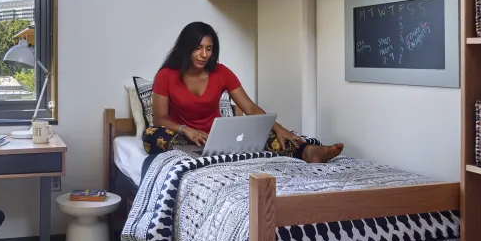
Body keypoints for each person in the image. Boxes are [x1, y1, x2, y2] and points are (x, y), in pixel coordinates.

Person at [147, 21, 344, 164]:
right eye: (198, 48)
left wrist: (277, 127)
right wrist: (186, 130)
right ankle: (197, 154)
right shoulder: (166, 75)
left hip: (216, 138)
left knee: (272, 137)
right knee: (152, 134)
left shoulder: (221, 72)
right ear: (186, 49)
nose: (204, 55)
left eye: (209, 48)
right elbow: (160, 119)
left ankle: (311, 152)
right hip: (183, 137)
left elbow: (248, 106)